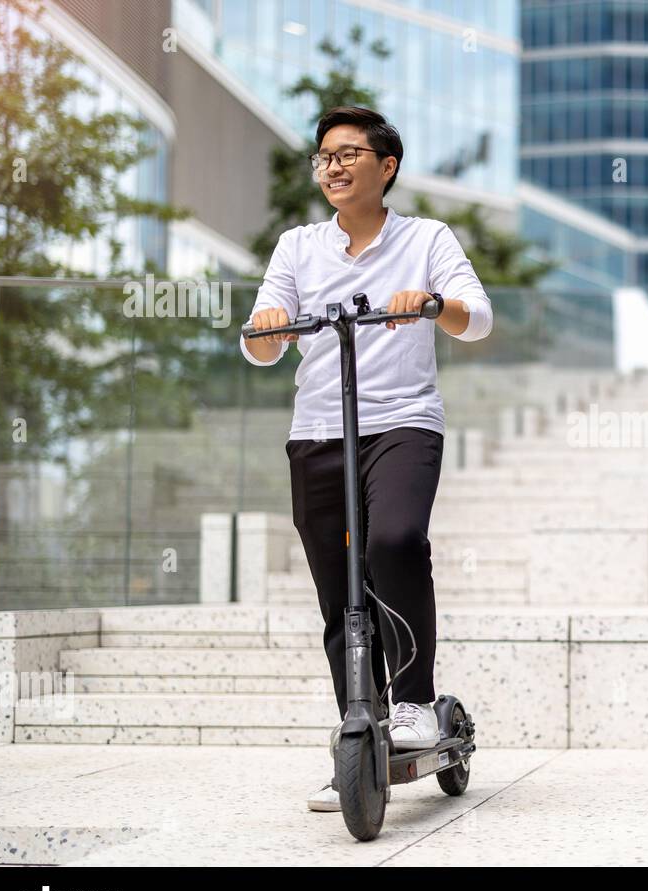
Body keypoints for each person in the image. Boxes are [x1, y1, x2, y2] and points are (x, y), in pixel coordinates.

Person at [241, 106, 492, 812]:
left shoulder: (426, 238)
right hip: (319, 431)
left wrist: (434, 303)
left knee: (394, 541)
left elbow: (477, 318)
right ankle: (359, 730)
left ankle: (412, 702)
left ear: (387, 167)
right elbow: (260, 346)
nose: (334, 166)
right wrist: (266, 329)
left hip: (402, 424)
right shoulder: (297, 247)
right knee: (339, 593)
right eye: (325, 157)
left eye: (349, 154)